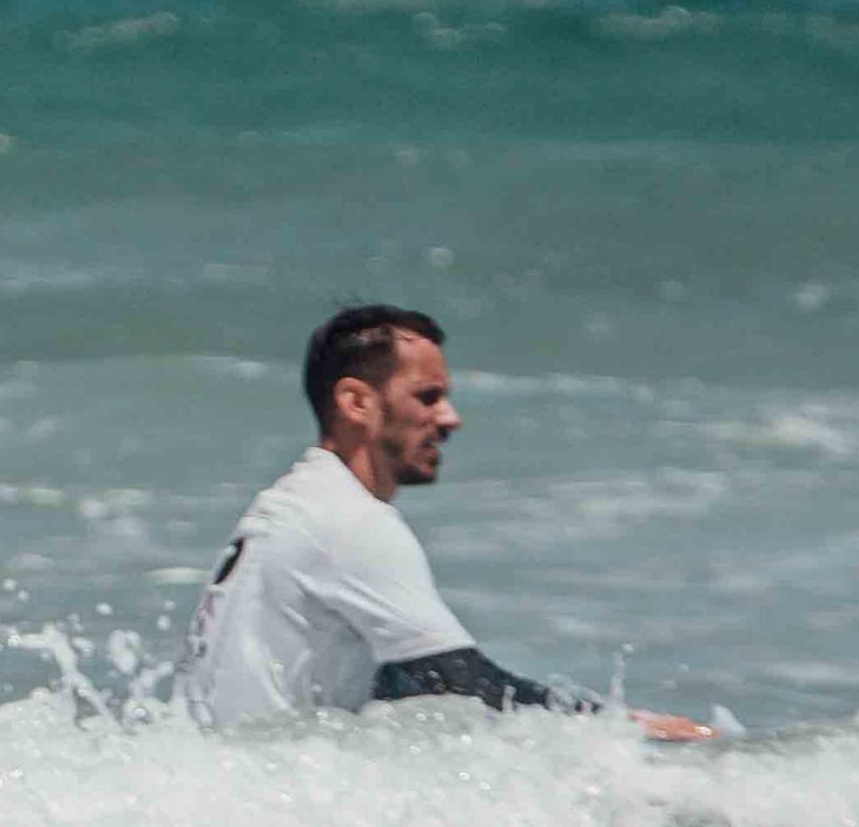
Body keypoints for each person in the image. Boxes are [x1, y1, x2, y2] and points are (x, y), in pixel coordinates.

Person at [178, 305, 711, 740]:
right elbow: (460, 681)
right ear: (356, 402)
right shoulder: (347, 521)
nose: (450, 418)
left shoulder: (292, 505)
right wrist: (618, 728)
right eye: (427, 397)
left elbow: (404, 682)